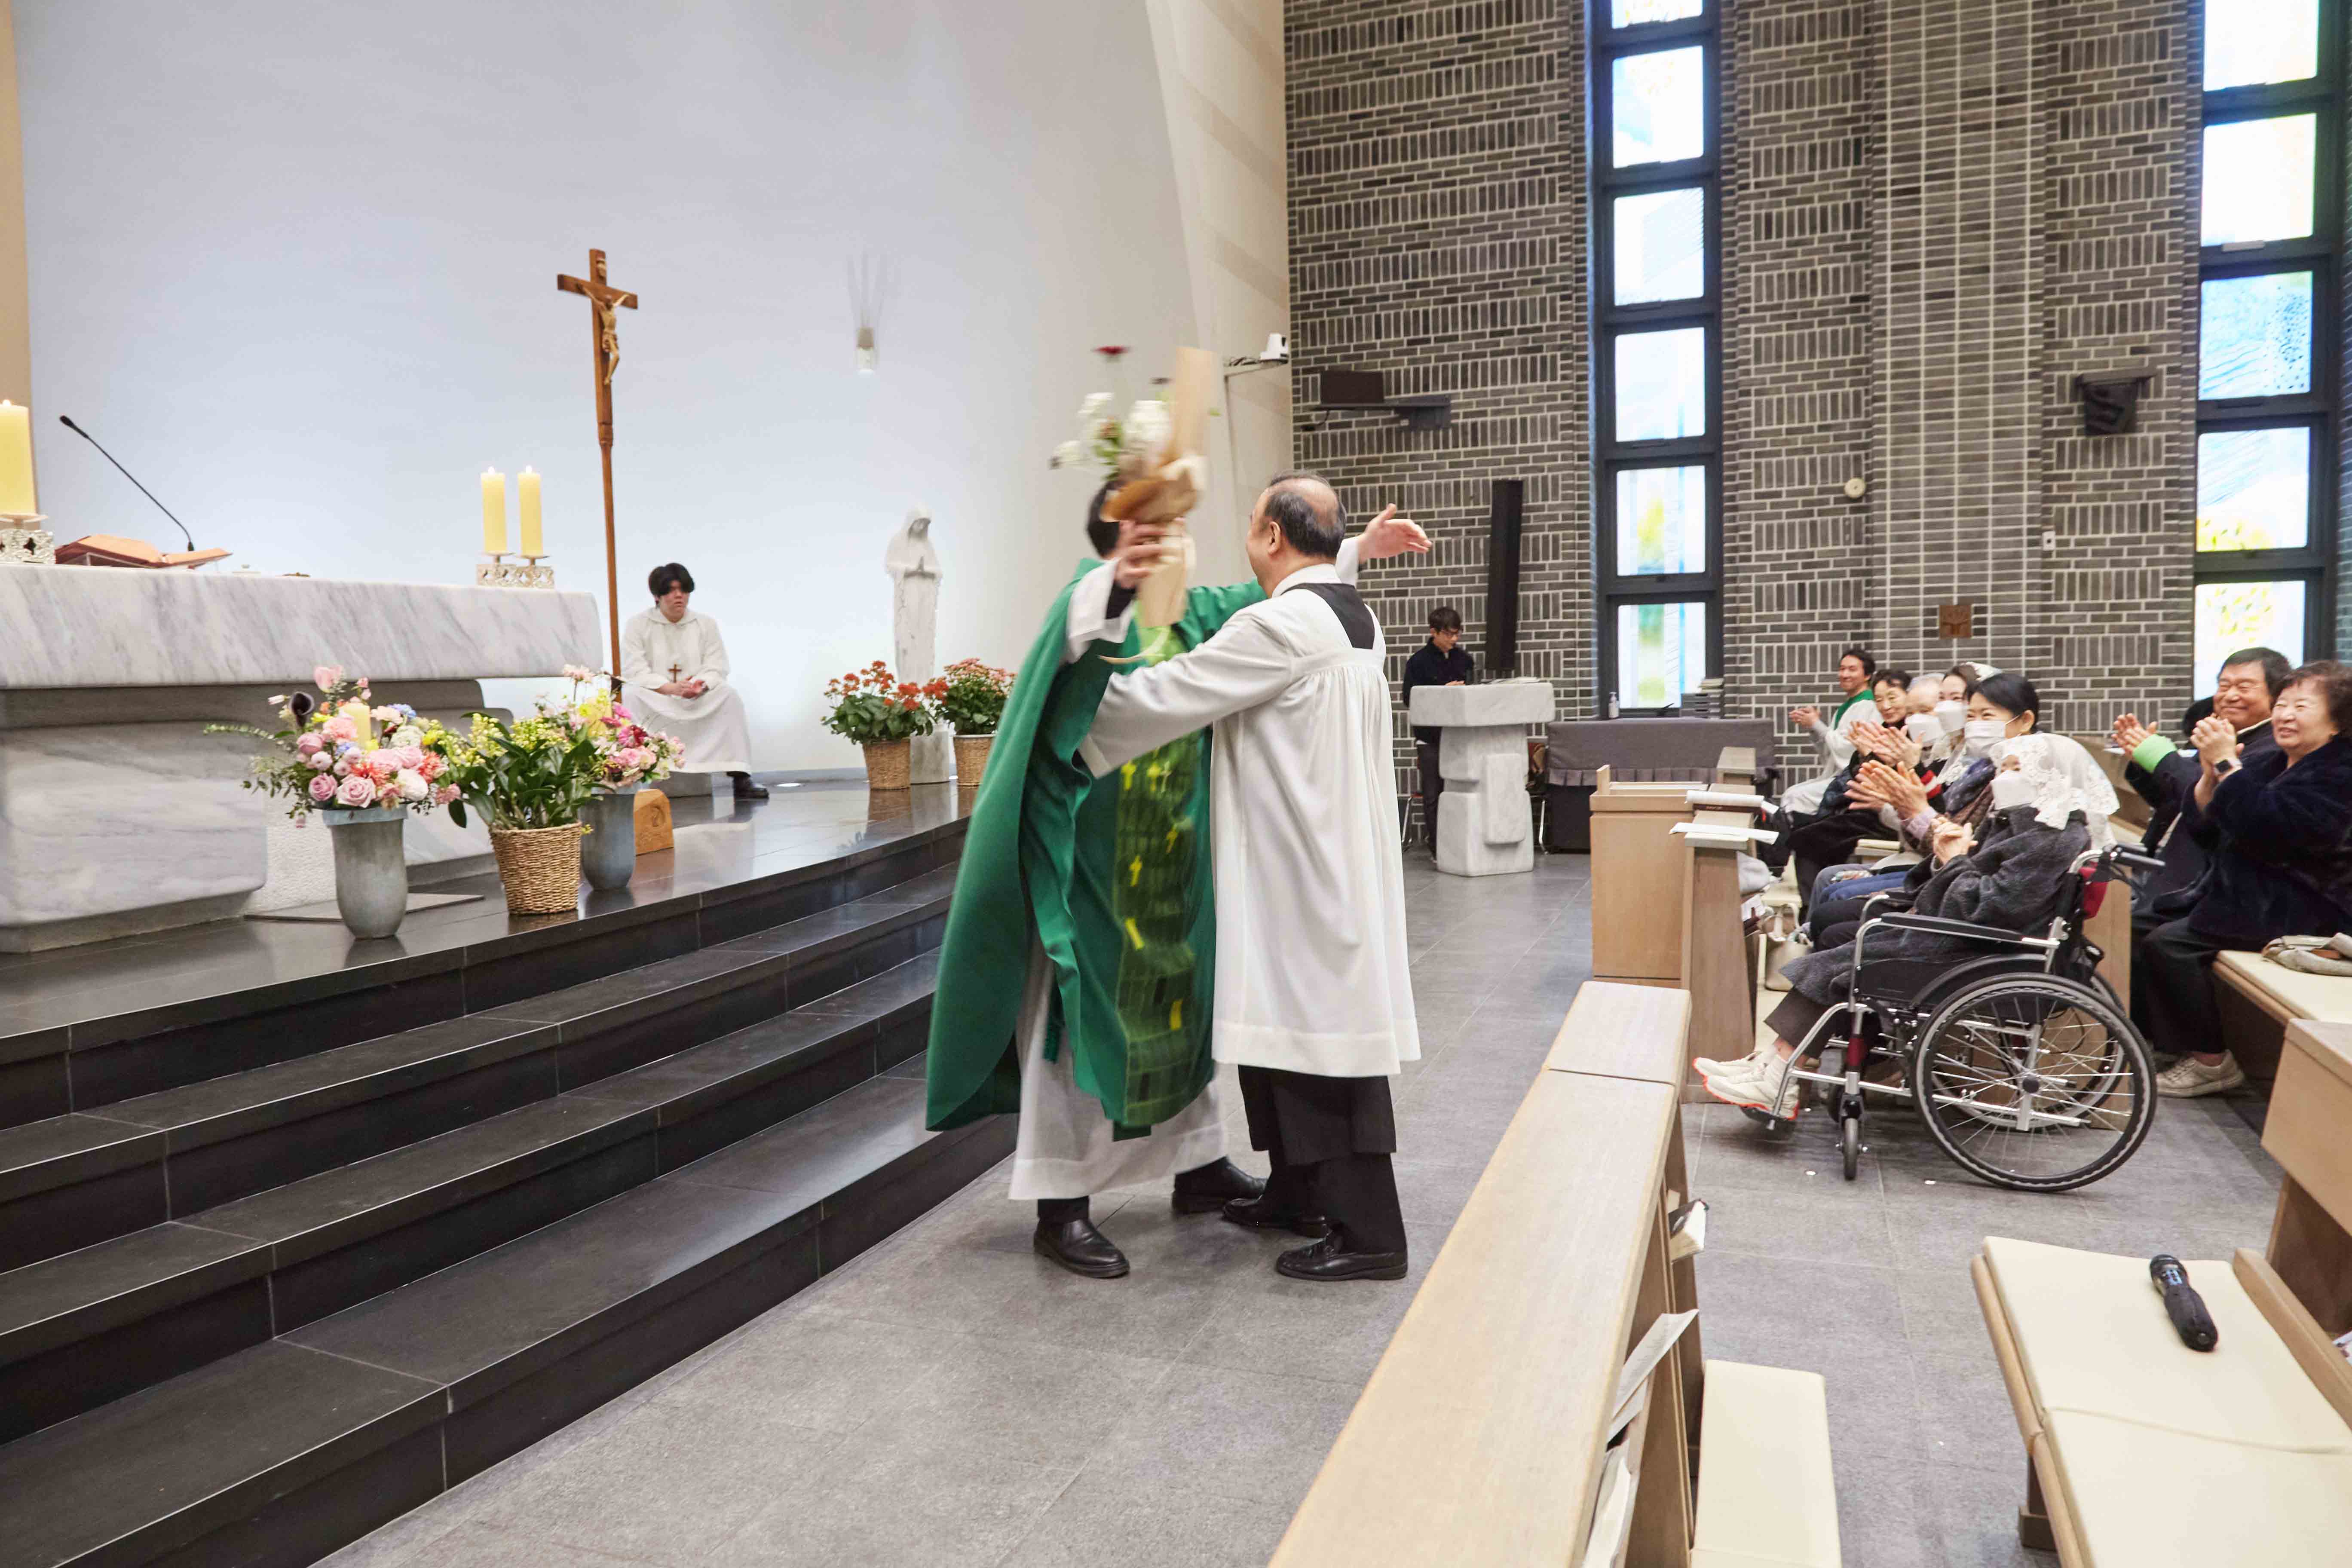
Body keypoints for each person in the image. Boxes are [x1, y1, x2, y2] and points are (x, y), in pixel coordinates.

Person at [923, 479, 1428, 1278]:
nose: (1177, 541)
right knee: (1084, 1032)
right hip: (1100, 877)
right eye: (1156, 529)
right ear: (1119, 541)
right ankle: (1064, 1202)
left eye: (1181, 526)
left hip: (1185, 873)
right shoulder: (1093, 606)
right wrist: (1114, 585)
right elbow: (1067, 695)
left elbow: (1295, 587)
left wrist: (1350, 547)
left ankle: (1198, 1166)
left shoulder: (1206, 613)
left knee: (1199, 1029)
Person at [1078, 474, 1420, 1282]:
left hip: (1298, 870)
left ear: (1272, 537)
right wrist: (1358, 549)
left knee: (1318, 1047)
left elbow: (1168, 694)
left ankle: (1372, 1235)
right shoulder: (1353, 614)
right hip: (1323, 859)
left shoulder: (1277, 623)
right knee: (1281, 1039)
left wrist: (1062, 712)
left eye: (1250, 522)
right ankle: (1299, 1193)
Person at [1700, 731, 2101, 1115]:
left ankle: (1780, 1073)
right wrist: (1945, 856)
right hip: (1966, 935)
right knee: (1844, 951)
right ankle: (1774, 1064)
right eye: (2005, 767)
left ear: (2052, 778)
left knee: (1848, 960)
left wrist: (1954, 859)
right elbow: (1970, 882)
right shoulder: (2022, 823)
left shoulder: (2052, 838)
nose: (2003, 777)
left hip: (1982, 949)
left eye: (2017, 769)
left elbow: (1992, 906)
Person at [2138, 661, 2352, 1097]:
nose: (2285, 716)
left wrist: (2225, 763)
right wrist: (2208, 773)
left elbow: (2271, 827)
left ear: (2337, 722)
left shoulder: (2341, 771)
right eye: (2282, 705)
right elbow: (2210, 830)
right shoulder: (2275, 761)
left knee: (2170, 945)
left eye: (2302, 707)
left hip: (2306, 906)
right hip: (2247, 896)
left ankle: (2210, 1061)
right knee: (2139, 923)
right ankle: (2163, 1042)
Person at [2111, 647, 2289, 935]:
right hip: (2163, 864)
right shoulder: (2224, 732)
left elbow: (2217, 801)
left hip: (2202, 883)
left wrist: (2162, 758)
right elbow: (2177, 801)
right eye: (2224, 686)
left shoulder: (2273, 747)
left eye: (2244, 687)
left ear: (2276, 695)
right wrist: (2144, 761)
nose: (2230, 696)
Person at [619, 564, 765, 799]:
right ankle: (635, 773)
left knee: (729, 696)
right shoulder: (638, 624)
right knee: (630, 695)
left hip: (696, 698)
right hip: (658, 697)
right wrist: (670, 688)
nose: (679, 596)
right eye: (671, 590)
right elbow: (634, 669)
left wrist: (700, 685)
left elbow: (717, 665)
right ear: (657, 596)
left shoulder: (705, 624)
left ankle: (741, 777)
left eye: (683, 590)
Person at [1401, 606, 1474, 852]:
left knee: (1460, 792)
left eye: (1457, 634)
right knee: (1433, 796)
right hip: (1429, 738)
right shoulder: (1418, 662)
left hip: (1459, 736)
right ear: (1434, 632)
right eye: (1449, 634)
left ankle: (1461, 847)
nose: (1454, 639)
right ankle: (1438, 849)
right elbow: (1410, 699)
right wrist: (1443, 692)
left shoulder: (1464, 660)